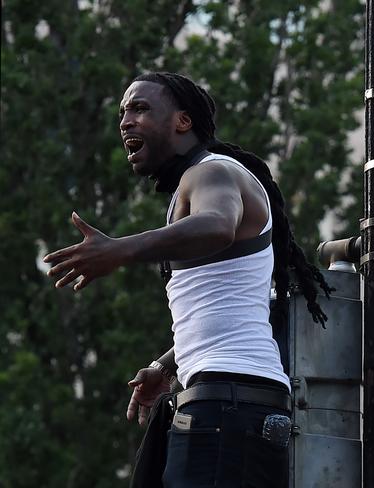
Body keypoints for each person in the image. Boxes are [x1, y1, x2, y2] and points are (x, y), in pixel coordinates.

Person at [43, 72, 333, 487]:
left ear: (182, 122)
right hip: (232, 403)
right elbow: (224, 311)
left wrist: (119, 250)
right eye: (123, 111)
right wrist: (167, 365)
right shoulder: (199, 180)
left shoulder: (210, 173)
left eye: (140, 108)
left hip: (227, 407)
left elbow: (217, 225)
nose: (125, 121)